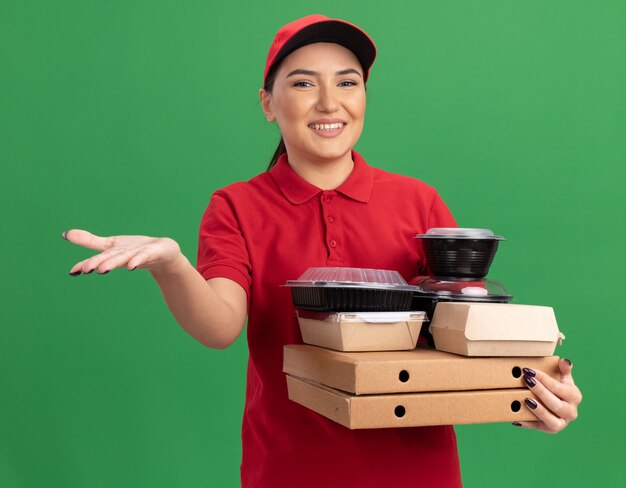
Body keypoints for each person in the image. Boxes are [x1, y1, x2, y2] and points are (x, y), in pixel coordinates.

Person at [63, 14, 582, 488]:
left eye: (348, 82)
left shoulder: (418, 202)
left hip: (418, 473)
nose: (329, 102)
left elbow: (465, 334)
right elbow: (220, 327)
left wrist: (532, 394)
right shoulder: (236, 206)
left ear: (364, 97)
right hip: (287, 472)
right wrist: (171, 264)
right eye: (304, 82)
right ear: (268, 103)